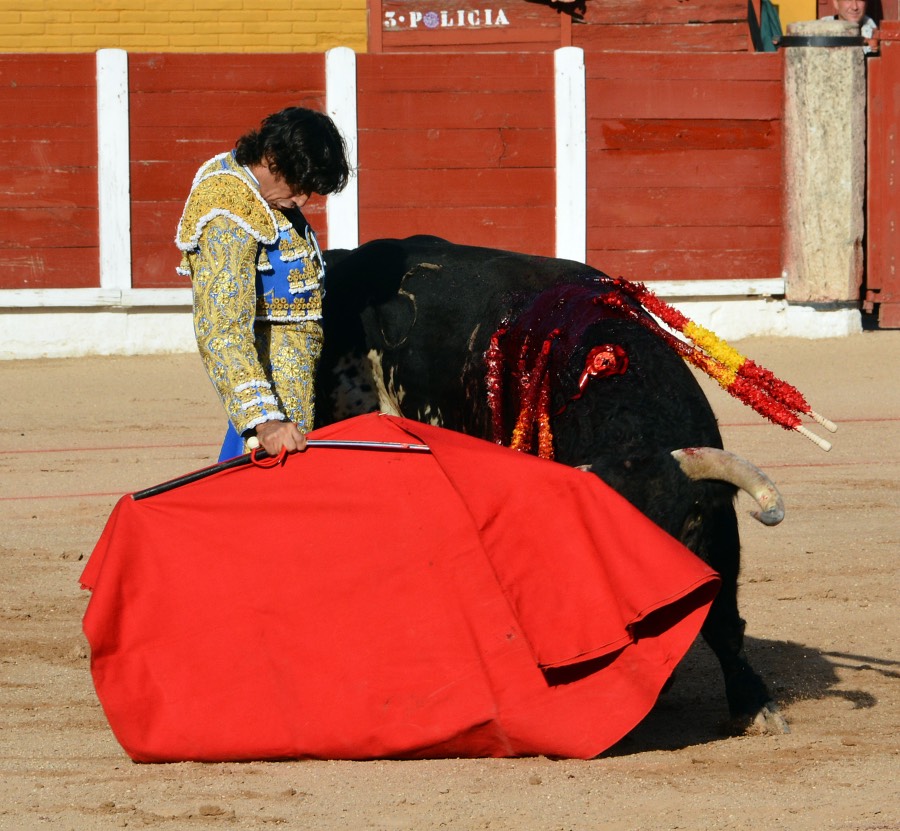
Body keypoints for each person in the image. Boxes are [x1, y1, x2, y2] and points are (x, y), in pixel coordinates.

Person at [175, 107, 350, 461]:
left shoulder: (260, 194)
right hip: (272, 411)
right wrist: (264, 420)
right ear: (271, 160)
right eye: (300, 186)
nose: (302, 200)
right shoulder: (228, 211)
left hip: (290, 394)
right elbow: (221, 328)